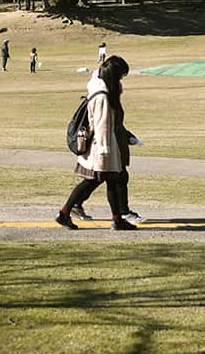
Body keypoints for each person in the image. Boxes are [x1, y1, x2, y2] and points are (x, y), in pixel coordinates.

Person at [56, 55, 142, 231]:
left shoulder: (98, 87)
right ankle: (65, 213)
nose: (121, 81)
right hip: (102, 147)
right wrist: (105, 149)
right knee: (94, 182)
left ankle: (116, 219)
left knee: (108, 181)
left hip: (103, 145)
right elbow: (102, 125)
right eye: (121, 76)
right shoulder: (103, 97)